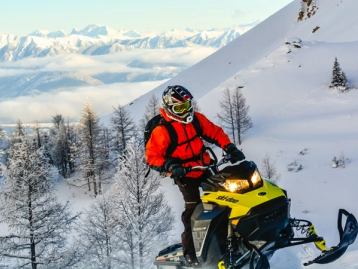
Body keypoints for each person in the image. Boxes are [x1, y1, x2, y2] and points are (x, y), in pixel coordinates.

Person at [145, 85, 245, 265]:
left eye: (188, 105)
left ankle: (233, 240)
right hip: (184, 173)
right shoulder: (162, 130)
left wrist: (229, 147)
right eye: (180, 108)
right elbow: (152, 157)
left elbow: (214, 132)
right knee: (195, 211)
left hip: (204, 166)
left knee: (226, 198)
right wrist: (170, 165)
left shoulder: (196, 120)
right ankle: (191, 254)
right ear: (170, 108)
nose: (186, 111)